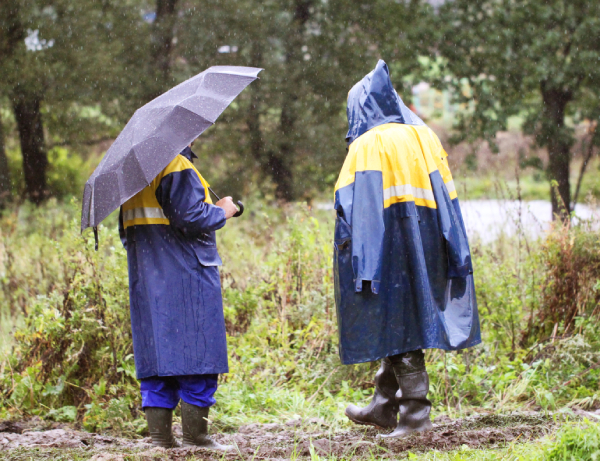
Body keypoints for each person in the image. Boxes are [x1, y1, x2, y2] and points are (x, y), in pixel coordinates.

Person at [333, 60, 481, 438]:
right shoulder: (424, 136)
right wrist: (455, 252)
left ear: (360, 108)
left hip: (387, 245)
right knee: (408, 320)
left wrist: (363, 264)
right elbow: (450, 202)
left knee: (395, 321)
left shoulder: (369, 144)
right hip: (430, 241)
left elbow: (361, 211)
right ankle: (384, 406)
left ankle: (415, 418)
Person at [119, 143, 238, 449]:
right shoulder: (175, 163)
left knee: (157, 358)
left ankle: (160, 438)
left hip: (146, 278)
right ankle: (196, 438)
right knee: (196, 354)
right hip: (186, 274)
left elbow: (125, 233)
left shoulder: (132, 173)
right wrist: (224, 210)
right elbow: (190, 218)